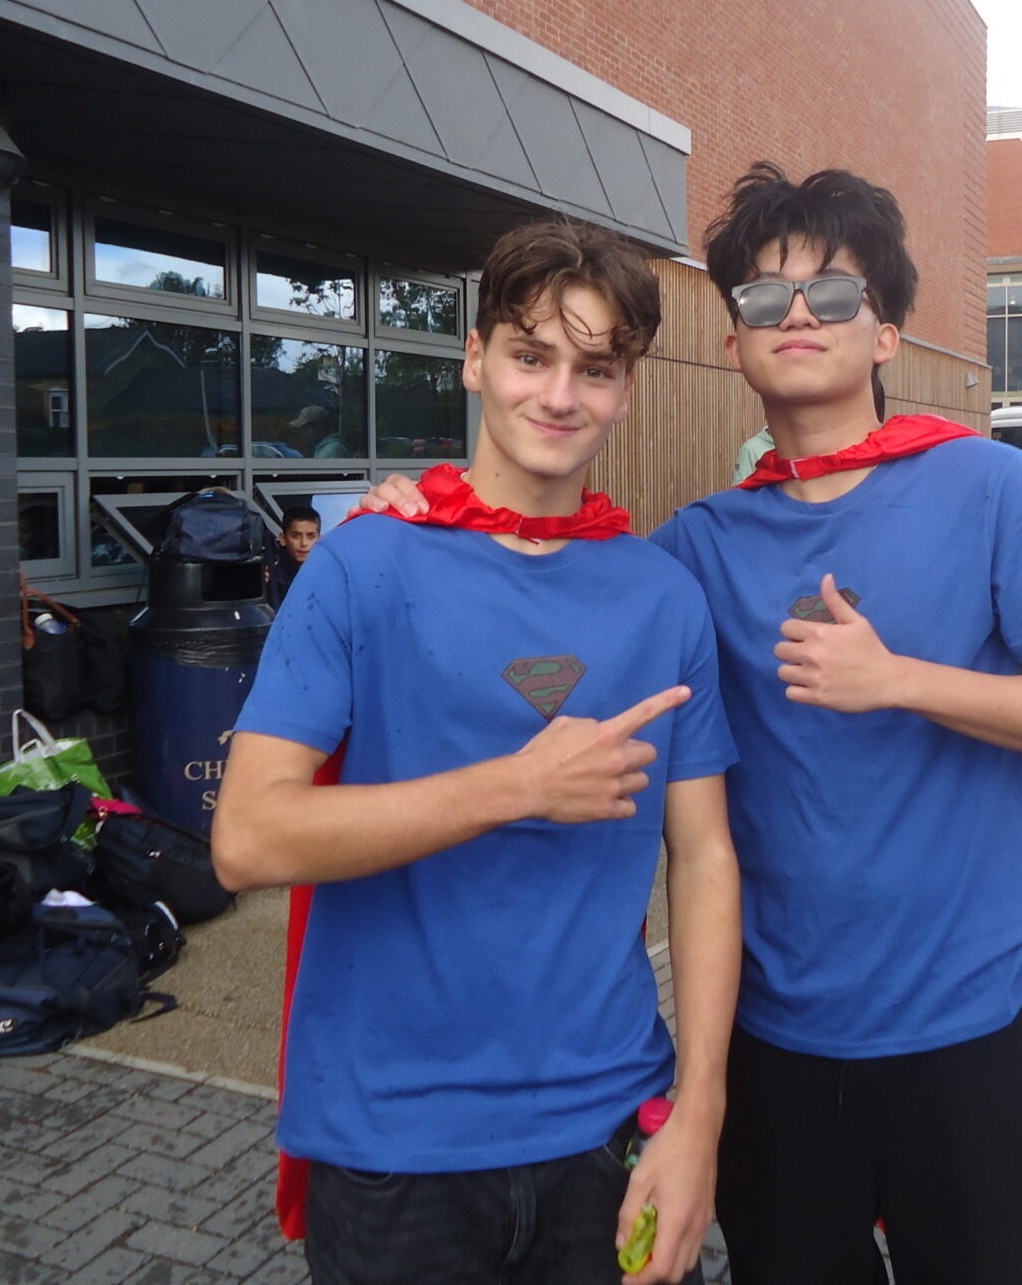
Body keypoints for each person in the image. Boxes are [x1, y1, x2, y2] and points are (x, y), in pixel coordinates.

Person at [371, 164, 1022, 1282]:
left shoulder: (986, 488)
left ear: (885, 333)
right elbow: (545, 587)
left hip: (971, 1031)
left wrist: (902, 681)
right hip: (774, 1046)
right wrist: (425, 518)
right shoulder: (694, 547)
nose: (797, 315)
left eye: (833, 293)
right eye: (765, 296)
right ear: (731, 340)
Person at [214, 217, 743, 1285]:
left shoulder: (663, 595)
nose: (560, 396)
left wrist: (699, 1116)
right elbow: (248, 839)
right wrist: (519, 785)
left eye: (596, 370)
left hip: (608, 1126)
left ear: (626, 389)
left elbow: (704, 858)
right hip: (392, 1144)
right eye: (530, 355)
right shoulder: (363, 566)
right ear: (474, 359)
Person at [265, 507, 321, 611]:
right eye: (296, 536)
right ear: (283, 539)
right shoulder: (270, 579)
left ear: (319, 540)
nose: (304, 543)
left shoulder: (330, 578)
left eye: (311, 536)